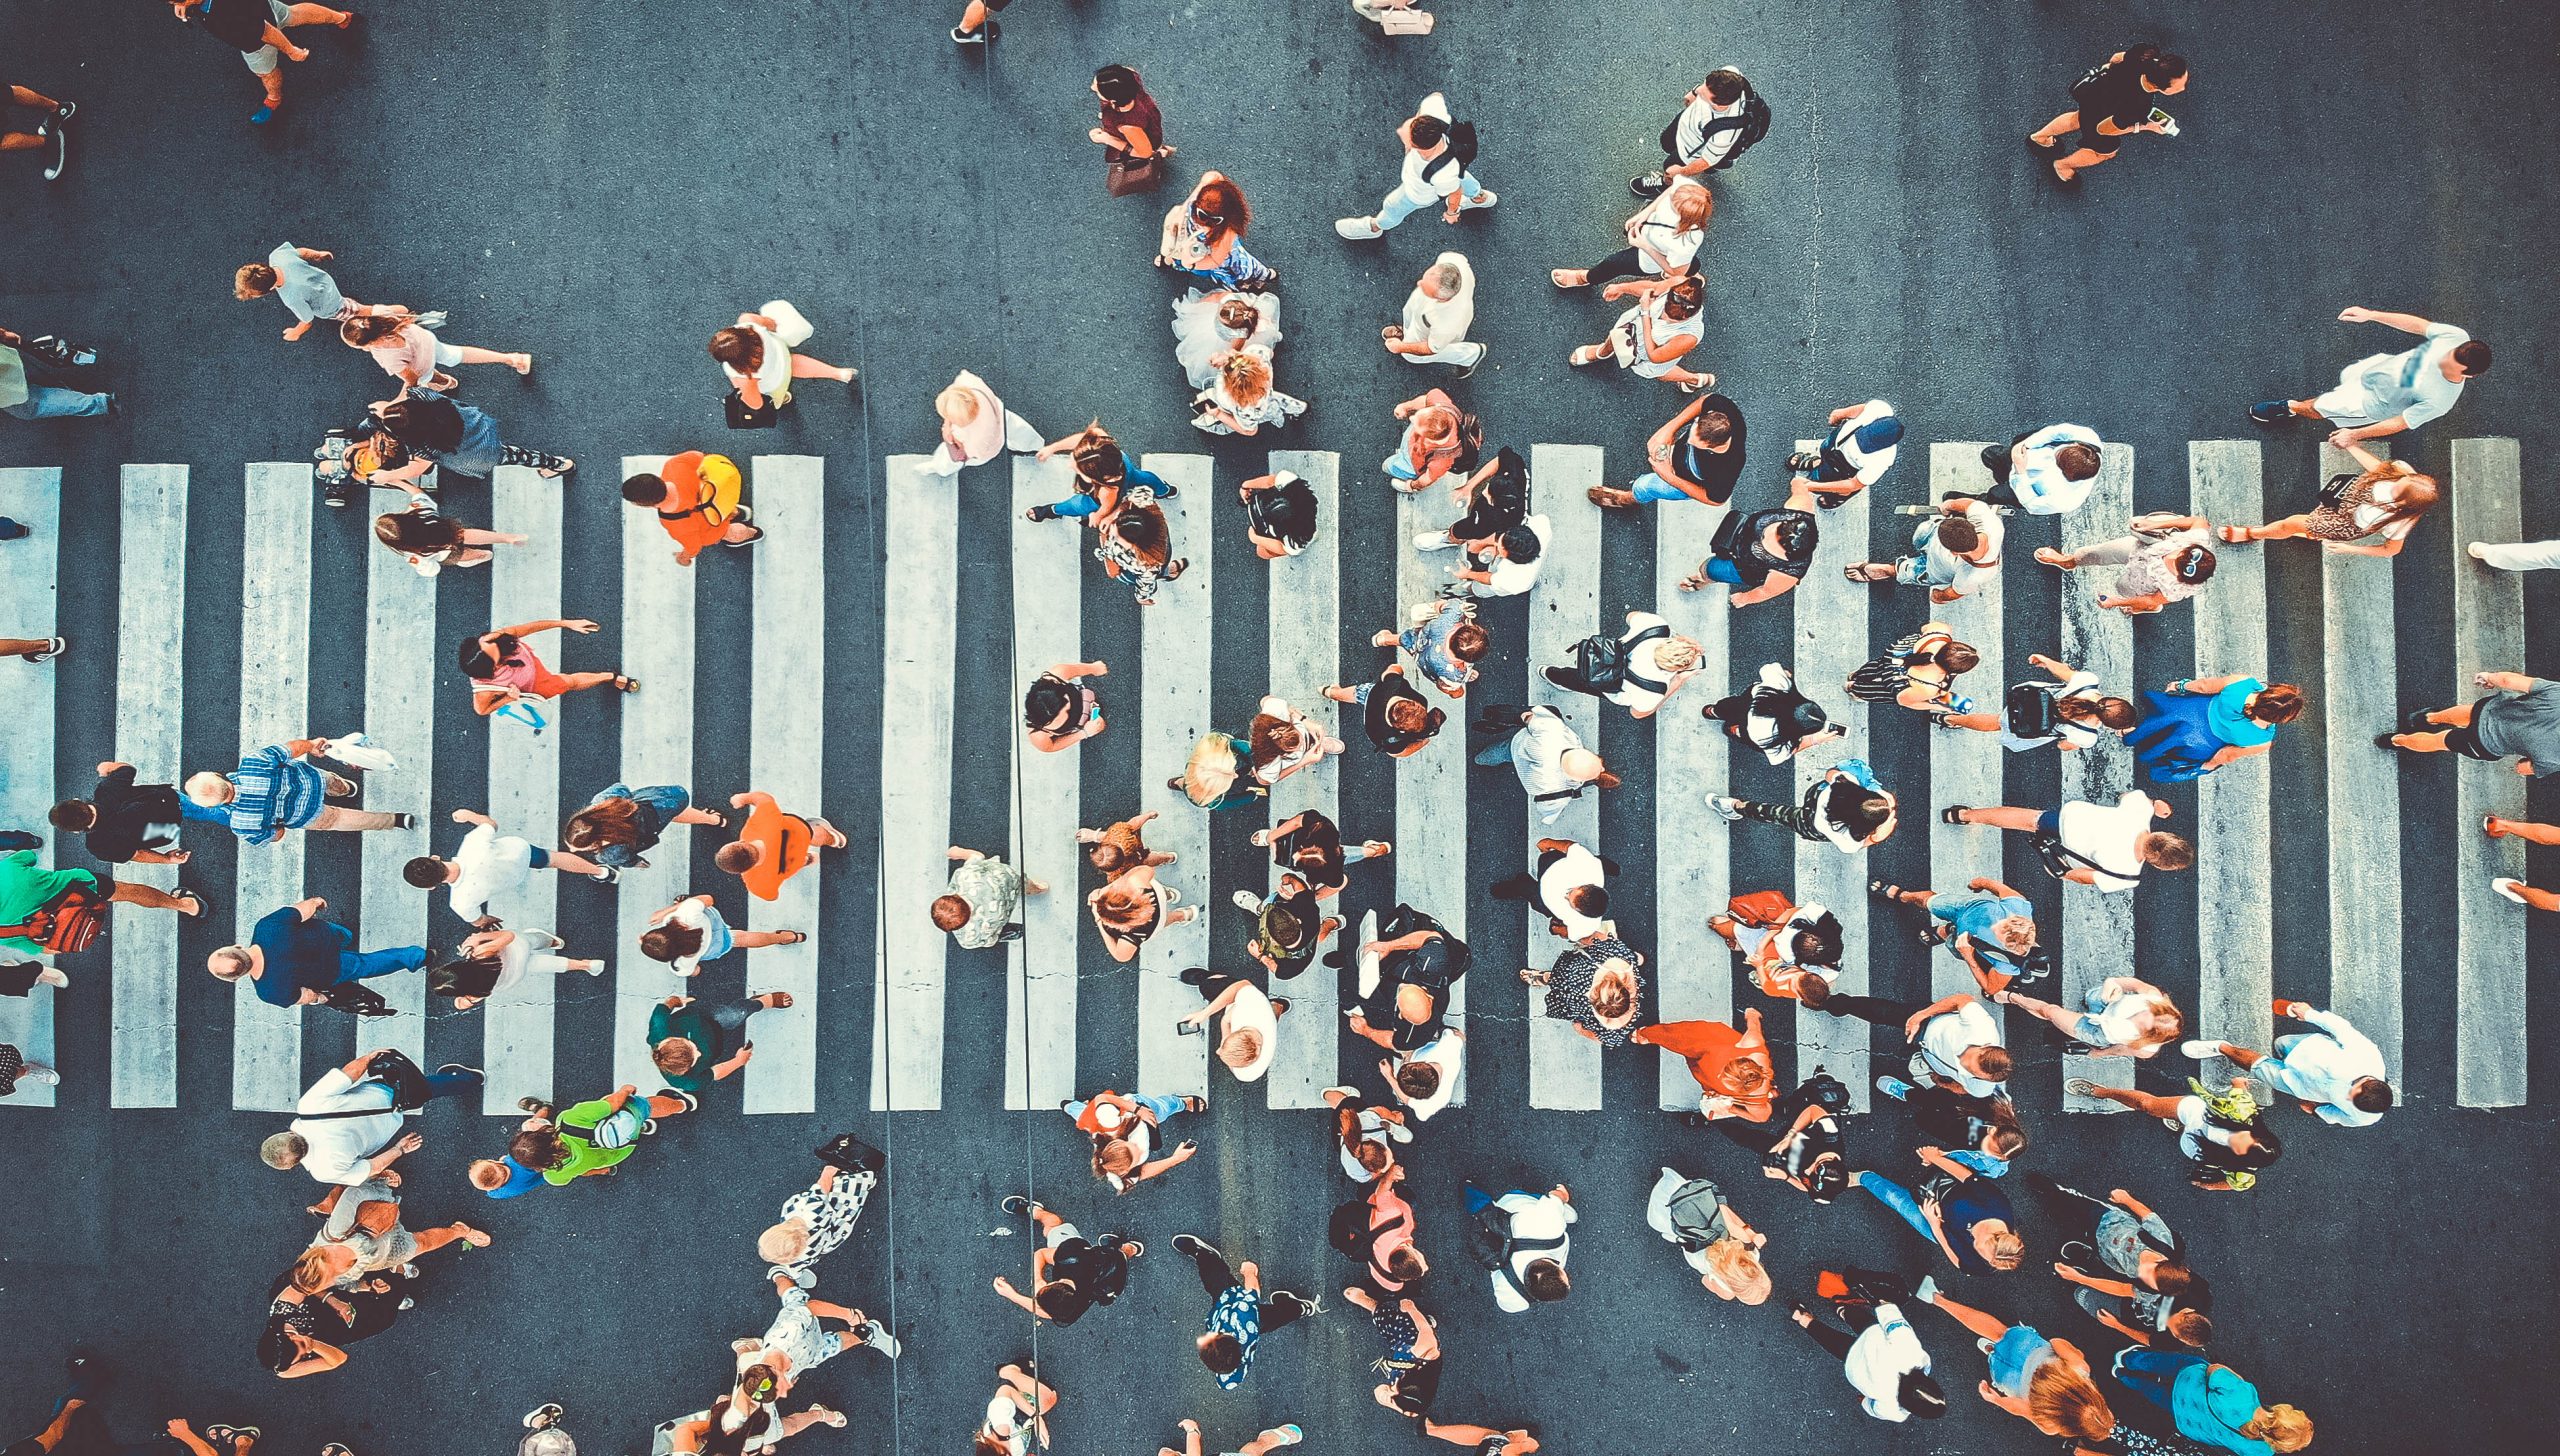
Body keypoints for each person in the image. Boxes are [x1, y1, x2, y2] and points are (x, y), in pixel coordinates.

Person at [2251, 306, 2487, 447]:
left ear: (2469, 375)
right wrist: (2371, 314)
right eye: (2448, 355)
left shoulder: (2440, 401)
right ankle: (2304, 406)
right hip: (2377, 369)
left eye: (2450, 364)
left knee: (2320, 407)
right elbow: (2419, 325)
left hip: (2370, 403)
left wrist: (2355, 434)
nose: (2443, 360)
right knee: (2344, 379)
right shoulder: (2457, 337)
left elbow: (2400, 422)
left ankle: (2291, 407)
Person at [2028, 1175, 2213, 1351]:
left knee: (2084, 1291)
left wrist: (2117, 1325)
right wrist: (2127, 1199)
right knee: (2079, 1208)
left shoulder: (2148, 1294)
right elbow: (2149, 1218)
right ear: (2188, 1310)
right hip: (2113, 1228)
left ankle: (2088, 1257)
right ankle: (2055, 1194)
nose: (2141, 1273)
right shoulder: (2194, 1290)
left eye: (2170, 1329)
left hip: (2120, 1279)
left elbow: (2123, 1290)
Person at [261, 1049, 483, 1185]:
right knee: (427, 1087)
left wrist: (401, 1148)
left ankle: (463, 1081)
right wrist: (370, 1056)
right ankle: (471, 1079)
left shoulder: (324, 1171)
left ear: (292, 1165)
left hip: (390, 1123)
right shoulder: (308, 1107)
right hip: (381, 1092)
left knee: (425, 1092)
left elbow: (372, 1167)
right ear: (287, 1133)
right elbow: (348, 1074)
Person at [1916, 1288, 2114, 1440]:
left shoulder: (2080, 1369)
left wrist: (2077, 1353)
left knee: (1999, 1332)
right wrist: (1995, 1400)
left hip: (2027, 1349)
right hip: (2010, 1379)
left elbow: (2056, 1342)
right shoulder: (2051, 1425)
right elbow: (2018, 1407)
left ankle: (1937, 1299)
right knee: (1996, 1357)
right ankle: (1991, 1351)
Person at [2184, 999, 2392, 1126]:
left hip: (2297, 1085)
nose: (2347, 1094)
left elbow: (2337, 1116)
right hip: (2306, 1049)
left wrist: (2316, 1110)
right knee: (2280, 1044)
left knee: (2258, 1067)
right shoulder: (2368, 1055)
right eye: (2353, 1089)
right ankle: (2266, 1051)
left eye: (2351, 1098)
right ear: (2369, 1079)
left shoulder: (2366, 1116)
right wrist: (2309, 1014)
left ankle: (2221, 1048)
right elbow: (2341, 1028)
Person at [1943, 792, 2194, 893]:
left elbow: (2126, 796)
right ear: (2160, 864)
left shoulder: (2140, 811)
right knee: (2035, 828)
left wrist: (2154, 806)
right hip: (2069, 846)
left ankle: (1964, 815)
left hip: (2071, 817)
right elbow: (2079, 875)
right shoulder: (2127, 877)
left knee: (2029, 819)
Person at [2067, 1076, 2284, 1193]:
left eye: (2241, 1147)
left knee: (2182, 1131)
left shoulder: (2243, 1171)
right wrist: (2239, 1083)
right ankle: (2101, 1091)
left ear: (2240, 1157)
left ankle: (2179, 1124)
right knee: (2146, 1105)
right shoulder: (2244, 1113)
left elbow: (2235, 1184)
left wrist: (2209, 1186)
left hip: (2194, 1143)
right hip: (2200, 1115)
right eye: (2248, 1137)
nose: (2240, 1139)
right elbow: (2239, 1086)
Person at [208, 897, 423, 1012]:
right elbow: (305, 909)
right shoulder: (266, 927)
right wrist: (316, 902)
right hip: (326, 936)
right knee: (343, 935)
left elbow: (309, 996)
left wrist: (323, 998)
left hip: (333, 969)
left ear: (236, 979)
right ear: (236, 946)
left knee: (368, 964)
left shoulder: (269, 992)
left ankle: (415, 957)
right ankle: (348, 937)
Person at [1788, 1269, 1948, 1423]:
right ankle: (1803, 1319)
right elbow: (1870, 1406)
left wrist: (1883, 1303)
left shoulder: (1912, 1355)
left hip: (1872, 1337)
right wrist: (1864, 1399)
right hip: (1855, 1365)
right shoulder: (1894, 1411)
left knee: (1859, 1319)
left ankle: (1842, 1309)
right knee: (1831, 1340)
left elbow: (1894, 1323)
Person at [2217, 443, 2435, 555]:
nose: (2393, 483)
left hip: (2344, 524)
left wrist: (2351, 549)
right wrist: (2350, 445)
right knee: (2310, 526)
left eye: (2398, 489)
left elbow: (2391, 550)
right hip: (2342, 498)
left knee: (2291, 523)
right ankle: (2310, 533)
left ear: (2404, 503)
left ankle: (2252, 533)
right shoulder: (2403, 474)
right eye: (2401, 480)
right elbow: (2379, 469)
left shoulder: (2400, 521)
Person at [183, 736, 410, 843]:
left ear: (217, 804)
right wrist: (312, 745)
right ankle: (348, 789)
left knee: (341, 819)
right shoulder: (253, 763)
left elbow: (277, 835)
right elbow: (293, 748)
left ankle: (397, 820)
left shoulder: (241, 825)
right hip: (311, 780)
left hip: (307, 815)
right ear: (217, 776)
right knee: (331, 781)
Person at [406, 807, 609, 925]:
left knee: (550, 861)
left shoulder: (459, 903)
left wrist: (490, 921)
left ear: (431, 887)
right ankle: (601, 871)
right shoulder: (471, 844)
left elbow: (479, 920)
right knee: (554, 859)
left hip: (512, 878)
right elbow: (490, 824)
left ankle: (600, 872)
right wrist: (468, 815)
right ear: (434, 857)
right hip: (520, 852)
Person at [1335, 91, 1495, 238]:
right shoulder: (1434, 118)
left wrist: (1451, 213)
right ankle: (1478, 197)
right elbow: (1436, 96)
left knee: (1392, 207)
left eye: (1407, 138)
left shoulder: (1440, 174)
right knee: (1461, 176)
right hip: (1454, 166)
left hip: (1421, 192)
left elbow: (1455, 192)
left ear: (1420, 149)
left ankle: (1375, 227)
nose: (1400, 131)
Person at [170, 0, 357, 125]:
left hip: (257, 44)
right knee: (293, 14)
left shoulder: (222, 12)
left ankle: (274, 98)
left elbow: (264, 31)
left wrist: (291, 50)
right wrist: (186, 6)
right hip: (264, 5)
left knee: (266, 72)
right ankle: (342, 18)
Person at [1852, 1145, 2025, 1274]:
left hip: (1938, 1228)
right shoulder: (1996, 1205)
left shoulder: (1985, 1265)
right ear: (1994, 1235)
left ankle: (1863, 1178)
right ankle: (1864, 1178)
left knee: (1896, 1200)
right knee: (1900, 1198)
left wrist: (1935, 1225)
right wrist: (1935, 1158)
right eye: (1980, 1245)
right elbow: (1966, 1177)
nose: (1974, 1245)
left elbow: (1958, 1261)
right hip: (1946, 1190)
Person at [1174, 1234, 1319, 1388]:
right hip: (1236, 1308)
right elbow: (1252, 1293)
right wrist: (1249, 1271)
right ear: (1224, 1335)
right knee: (1272, 1316)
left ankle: (1302, 1308)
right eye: (1208, 1339)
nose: (1202, 1338)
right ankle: (1301, 1308)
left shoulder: (1228, 1380)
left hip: (1237, 1320)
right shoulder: (1242, 1317)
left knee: (1274, 1318)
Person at [2029, 45, 2188, 184]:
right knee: (2105, 152)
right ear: (2162, 88)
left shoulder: (2145, 55)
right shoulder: (2138, 105)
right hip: (2105, 113)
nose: (2183, 89)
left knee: (2077, 118)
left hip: (2096, 92)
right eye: (2180, 86)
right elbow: (2105, 129)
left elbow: (2116, 58)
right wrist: (2146, 127)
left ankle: (2039, 138)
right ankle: (2062, 166)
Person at [2107, 1352, 2312, 1456]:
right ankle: (2123, 1376)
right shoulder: (2262, 1452)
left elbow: (2213, 1371)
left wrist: (2235, 1375)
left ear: (2281, 1412)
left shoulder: (2244, 1396)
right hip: (2187, 1421)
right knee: (2152, 1392)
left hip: (2188, 1381)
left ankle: (2127, 1358)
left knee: (2163, 1362)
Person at [1824, 990, 2011, 1099]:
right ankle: (1837, 1003)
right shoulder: (1981, 1026)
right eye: (1971, 1058)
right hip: (1927, 1023)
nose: (1962, 1062)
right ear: (1985, 1046)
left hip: (1929, 1055)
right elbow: (1961, 1000)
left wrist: (1943, 1084)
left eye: (1970, 1071)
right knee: (1884, 1013)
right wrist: (1921, 1015)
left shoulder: (1982, 1088)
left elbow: (1964, 1089)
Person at [1938, 652, 2136, 754]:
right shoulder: (2088, 737)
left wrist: (2046, 661)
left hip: (2032, 698)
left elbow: (2064, 671)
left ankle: (1948, 711)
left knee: (1997, 719)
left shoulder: (2088, 681)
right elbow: (2063, 745)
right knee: (1996, 724)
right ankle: (1951, 719)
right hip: (2031, 723)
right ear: (2108, 725)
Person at [1872, 878, 2045, 996]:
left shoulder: (2010, 965)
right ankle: (1903, 896)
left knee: (1952, 943)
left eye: (1996, 931)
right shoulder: (2017, 906)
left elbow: (1991, 988)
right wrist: (1981, 883)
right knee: (1929, 901)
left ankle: (1947, 930)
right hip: (1965, 907)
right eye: (2000, 923)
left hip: (1967, 944)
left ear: (2007, 946)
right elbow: (2000, 889)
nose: (1993, 924)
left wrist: (1969, 957)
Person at [761, 1134, 887, 1287]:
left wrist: (793, 1269)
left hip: (832, 1232)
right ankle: (866, 1178)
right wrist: (830, 1169)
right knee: (850, 1191)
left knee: (850, 1206)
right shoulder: (793, 1209)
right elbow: (821, 1188)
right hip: (833, 1209)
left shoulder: (802, 1254)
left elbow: (798, 1261)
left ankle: (798, 1276)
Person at [1706, 1070, 1851, 1203]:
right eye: (1812, 1169)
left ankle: (1714, 1121)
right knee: (1789, 1109)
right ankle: (1774, 1106)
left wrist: (1785, 1177)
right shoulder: (1831, 1135)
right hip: (1799, 1128)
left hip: (1787, 1152)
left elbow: (1806, 1186)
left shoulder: (1822, 1188)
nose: (1806, 1171)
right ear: (1830, 1159)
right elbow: (1813, 1110)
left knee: (1748, 1138)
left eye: (1809, 1177)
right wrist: (1790, 1136)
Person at [2378, 668, 2560, 774]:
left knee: (2467, 713)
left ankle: (2429, 718)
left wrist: (2489, 677)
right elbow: (2523, 768)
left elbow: (2508, 680)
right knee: (2440, 742)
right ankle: (2396, 740)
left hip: (2489, 711)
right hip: (2485, 745)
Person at [990, 1195, 1137, 1325]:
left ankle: (1132, 1248)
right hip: (1093, 1258)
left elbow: (1045, 1312)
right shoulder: (1068, 1258)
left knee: (1122, 1256)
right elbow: (1040, 1254)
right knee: (1052, 1226)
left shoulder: (1071, 1308)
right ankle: (1034, 1210)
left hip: (1113, 1280)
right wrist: (1037, 1279)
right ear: (1056, 1282)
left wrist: (1013, 1295)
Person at [1343, 904, 1470, 1055]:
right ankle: (1355, 958)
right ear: (1427, 994)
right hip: (1416, 959)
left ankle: (1351, 962)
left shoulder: (1416, 1036)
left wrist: (1366, 1031)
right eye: (1407, 987)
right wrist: (1390, 946)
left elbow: (1394, 1042)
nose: (1403, 985)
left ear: (1401, 1015)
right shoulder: (1433, 964)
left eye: (1401, 990)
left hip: (1397, 970)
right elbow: (1429, 937)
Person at [734, 1271, 901, 1384]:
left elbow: (811, 1307)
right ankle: (867, 1334)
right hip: (809, 1354)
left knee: (792, 1296)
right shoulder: (763, 1374)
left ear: (776, 1369)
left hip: (800, 1326)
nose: (784, 1393)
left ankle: (780, 1274)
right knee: (835, 1345)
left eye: (781, 1390)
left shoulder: (789, 1332)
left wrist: (848, 1314)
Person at [2035, 513, 2217, 615]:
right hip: (2139, 550)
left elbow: (2151, 597)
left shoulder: (2177, 587)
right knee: (2096, 553)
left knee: (2122, 588)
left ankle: (2149, 610)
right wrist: (2151, 525)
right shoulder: (2197, 540)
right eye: (2180, 552)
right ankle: (2069, 561)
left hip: (2144, 581)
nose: (2172, 555)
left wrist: (2117, 602)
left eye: (2175, 563)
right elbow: (2199, 522)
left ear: (2180, 576)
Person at [1706, 758, 1899, 853]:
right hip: (1810, 824)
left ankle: (1736, 806)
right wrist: (1877, 838)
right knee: (1777, 815)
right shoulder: (1849, 838)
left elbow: (1832, 774)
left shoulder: (1844, 784)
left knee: (1774, 812)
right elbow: (1859, 844)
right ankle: (1736, 807)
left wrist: (1875, 792)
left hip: (1817, 797)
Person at [1675, 477, 1818, 605]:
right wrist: (1801, 483)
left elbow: (1766, 591)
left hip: (1742, 567)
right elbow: (1799, 485)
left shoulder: (1789, 572)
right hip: (1737, 535)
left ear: (1789, 555)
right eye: (1779, 528)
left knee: (1710, 569)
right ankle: (1702, 578)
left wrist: (1745, 598)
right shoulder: (1799, 511)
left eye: (1778, 542)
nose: (1766, 536)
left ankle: (1703, 580)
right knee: (1710, 565)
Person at [1590, 391, 1745, 509]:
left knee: (1644, 485)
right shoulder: (1725, 413)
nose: (1688, 442)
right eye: (1692, 431)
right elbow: (1706, 400)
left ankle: (1627, 499)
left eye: (1695, 442)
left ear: (1710, 447)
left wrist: (1668, 476)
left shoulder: (1729, 466)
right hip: (1680, 463)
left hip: (1684, 480)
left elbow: (1715, 500)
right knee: (1663, 454)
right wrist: (1669, 430)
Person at [2130, 676, 2303, 781]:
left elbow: (2204, 686)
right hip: (2198, 742)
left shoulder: (2244, 683)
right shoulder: (2263, 740)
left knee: (2166, 718)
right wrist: (2208, 766)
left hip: (2190, 710)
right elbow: (2228, 754)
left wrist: (2180, 685)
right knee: (2176, 750)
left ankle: (2139, 728)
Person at [1472, 703, 1618, 826]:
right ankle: (1481, 759)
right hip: (1527, 771)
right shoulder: (1558, 789)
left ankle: (1480, 759)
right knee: (1504, 755)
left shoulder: (1554, 732)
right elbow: (1547, 808)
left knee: (1499, 752)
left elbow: (1529, 717)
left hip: (1518, 747)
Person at [1642, 1168, 1771, 1304]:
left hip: (1698, 1206)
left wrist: (1751, 1233)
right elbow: (1705, 1280)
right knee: (1683, 1231)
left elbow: (1729, 1217)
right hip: (1693, 1237)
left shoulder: (1752, 1253)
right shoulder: (1725, 1290)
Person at [457, 620, 636, 718]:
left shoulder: (489, 640)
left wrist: (566, 624)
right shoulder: (484, 690)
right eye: (498, 656)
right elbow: (481, 710)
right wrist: (507, 699)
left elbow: (528, 628)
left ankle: (609, 678)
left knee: (566, 680)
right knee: (569, 682)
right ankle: (609, 677)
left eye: (493, 643)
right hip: (535, 684)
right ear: (494, 668)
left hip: (528, 662)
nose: (499, 644)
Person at [1551, 180, 1711, 288]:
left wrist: (1644, 246)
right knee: (1687, 262)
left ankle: (1585, 278)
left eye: (1673, 207)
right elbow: (1670, 190)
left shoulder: (1686, 243)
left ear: (1685, 217)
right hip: (1647, 230)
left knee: (1613, 264)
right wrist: (1642, 215)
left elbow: (1676, 272)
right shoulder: (1689, 190)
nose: (1669, 203)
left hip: (1649, 255)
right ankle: (1693, 272)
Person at [1542, 610, 1701, 719]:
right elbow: (1637, 713)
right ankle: (1553, 676)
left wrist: (1683, 640)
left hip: (1607, 653)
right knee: (1584, 683)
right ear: (1678, 669)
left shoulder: (1656, 627)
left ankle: (1550, 673)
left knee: (1575, 674)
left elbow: (1630, 616)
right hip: (1610, 683)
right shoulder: (1654, 691)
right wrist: (1678, 681)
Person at [1633, 67, 1766, 196]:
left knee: (1670, 167)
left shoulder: (1723, 136)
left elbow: (1706, 160)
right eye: (1704, 84)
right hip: (1686, 124)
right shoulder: (1730, 74)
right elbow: (1705, 87)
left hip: (1691, 150)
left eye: (1703, 94)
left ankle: (1664, 185)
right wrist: (1695, 92)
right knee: (1666, 142)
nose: (1701, 89)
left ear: (1718, 105)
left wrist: (1681, 171)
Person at [1566, 274, 1711, 390]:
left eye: (1672, 319)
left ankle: (1693, 379)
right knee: (1616, 335)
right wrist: (1622, 288)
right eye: (1665, 311)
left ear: (1689, 316)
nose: (1664, 317)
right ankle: (1602, 352)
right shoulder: (1678, 283)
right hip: (1634, 326)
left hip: (1648, 353)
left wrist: (1645, 313)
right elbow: (1653, 288)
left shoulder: (1689, 336)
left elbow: (1654, 356)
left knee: (1660, 373)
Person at [48, 762, 205, 868]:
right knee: (205, 807)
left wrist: (167, 859)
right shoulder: (106, 789)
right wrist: (106, 767)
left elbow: (138, 854)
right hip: (169, 801)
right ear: (78, 801)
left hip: (166, 831)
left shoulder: (97, 846)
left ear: (76, 831)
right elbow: (128, 769)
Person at [709, 302, 855, 415]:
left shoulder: (744, 376)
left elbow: (756, 403)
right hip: (781, 353)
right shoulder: (748, 322)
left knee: (775, 397)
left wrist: (739, 390)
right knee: (796, 362)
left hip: (776, 382)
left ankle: (783, 398)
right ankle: (837, 373)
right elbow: (771, 323)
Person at [1848, 499, 2004, 603]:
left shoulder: (1974, 576)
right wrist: (1948, 505)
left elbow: (1949, 594)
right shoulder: (1991, 524)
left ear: (1954, 552)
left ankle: (1891, 570)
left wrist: (1937, 596)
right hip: (1932, 542)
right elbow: (1970, 504)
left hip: (1936, 569)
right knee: (1923, 532)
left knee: (1910, 571)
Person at [1637, 1010, 1775, 1122]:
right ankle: (1649, 1035)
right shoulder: (1755, 1098)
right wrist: (1730, 1108)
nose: (1720, 1075)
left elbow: (1754, 1027)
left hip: (1715, 1048)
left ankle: (1648, 1035)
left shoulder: (1757, 1050)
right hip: (1714, 1045)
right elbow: (1762, 1116)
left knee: (1681, 1036)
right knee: (1682, 1035)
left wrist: (1751, 1015)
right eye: (1725, 1073)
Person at [235, 243, 394, 340]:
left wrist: (295, 333)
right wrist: (317, 254)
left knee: (359, 311)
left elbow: (307, 320)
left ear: (268, 289)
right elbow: (301, 252)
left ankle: (392, 317)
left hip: (331, 305)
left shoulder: (291, 298)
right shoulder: (277, 256)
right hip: (323, 282)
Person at [623, 452, 762, 561]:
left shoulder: (674, 523)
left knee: (733, 532)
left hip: (714, 527)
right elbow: (700, 457)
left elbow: (693, 546)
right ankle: (737, 512)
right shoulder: (673, 465)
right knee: (723, 508)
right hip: (715, 497)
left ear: (647, 505)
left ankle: (753, 533)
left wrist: (685, 556)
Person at [648, 991, 793, 1095]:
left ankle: (761, 1001)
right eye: (694, 1059)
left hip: (704, 1016)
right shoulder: (686, 1081)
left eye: (692, 1048)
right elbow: (716, 1072)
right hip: (715, 1048)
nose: (699, 1053)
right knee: (733, 1020)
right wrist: (738, 1061)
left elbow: (668, 1003)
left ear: (675, 1039)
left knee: (735, 1015)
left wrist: (678, 1001)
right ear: (683, 1071)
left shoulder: (659, 1025)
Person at [426, 927, 604, 1010]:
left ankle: (586, 965)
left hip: (515, 973)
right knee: (533, 939)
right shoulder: (481, 954)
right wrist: (479, 938)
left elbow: (460, 1005)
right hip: (518, 949)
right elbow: (508, 936)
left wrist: (459, 1000)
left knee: (542, 965)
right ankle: (554, 942)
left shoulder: (475, 993)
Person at [1710, 890, 1841, 1003]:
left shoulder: (1786, 954)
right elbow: (1793, 911)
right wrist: (1764, 943)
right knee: (1738, 930)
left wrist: (1759, 963)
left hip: (1769, 956)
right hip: (1771, 940)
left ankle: (1736, 937)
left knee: (1719, 924)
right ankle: (1740, 942)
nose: (1793, 975)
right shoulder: (1824, 926)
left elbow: (1768, 987)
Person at [1340, 1285, 1444, 1425]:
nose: (1392, 1387)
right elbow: (1422, 1328)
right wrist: (1410, 1308)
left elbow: (1379, 1392)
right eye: (1397, 1387)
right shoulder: (1426, 1352)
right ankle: (1373, 1305)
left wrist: (1390, 1397)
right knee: (1392, 1318)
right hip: (1411, 1338)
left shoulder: (1411, 1406)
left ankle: (1379, 1311)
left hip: (1400, 1350)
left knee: (1390, 1335)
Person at [340, 314, 529, 391]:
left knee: (428, 378)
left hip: (423, 365)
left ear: (370, 343)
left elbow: (411, 379)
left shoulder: (387, 357)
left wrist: (402, 396)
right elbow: (403, 311)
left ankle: (447, 382)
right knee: (457, 354)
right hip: (426, 340)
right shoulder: (384, 316)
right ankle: (511, 358)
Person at [2002, 978, 2181, 1059]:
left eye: (2144, 1020)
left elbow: (2120, 1049)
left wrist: (2100, 1053)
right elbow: (2134, 984)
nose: (2142, 1012)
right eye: (2150, 1011)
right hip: (2106, 1001)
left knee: (2050, 1012)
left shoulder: (2145, 1050)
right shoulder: (2152, 997)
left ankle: (2014, 998)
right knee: (2090, 997)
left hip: (2097, 1029)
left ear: (2147, 1034)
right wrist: (2114, 983)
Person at [1068, 1088, 1204, 1193]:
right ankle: (1069, 1106)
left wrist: (1138, 1110)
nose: (1139, 1147)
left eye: (1131, 1146)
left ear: (1118, 1142)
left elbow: (1101, 1098)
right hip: (1146, 1124)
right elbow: (1142, 1172)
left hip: (1139, 1111)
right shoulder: (1120, 1176)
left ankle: (1182, 1103)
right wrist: (1176, 1159)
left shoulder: (1110, 1122)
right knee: (1083, 1115)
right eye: (1136, 1155)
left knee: (1162, 1109)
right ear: (1128, 1169)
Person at [560, 782, 723, 870]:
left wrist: (637, 863)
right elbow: (622, 788)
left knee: (673, 815)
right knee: (674, 811)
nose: (573, 850)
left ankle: (712, 820)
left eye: (580, 847)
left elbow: (627, 860)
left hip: (654, 824)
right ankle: (715, 820)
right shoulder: (603, 800)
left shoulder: (608, 853)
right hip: (657, 802)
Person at [718, 791, 848, 901]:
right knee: (813, 834)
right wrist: (742, 798)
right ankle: (835, 840)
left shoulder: (755, 884)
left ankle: (807, 859)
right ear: (741, 842)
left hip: (791, 862)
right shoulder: (759, 825)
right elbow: (764, 799)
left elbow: (772, 897)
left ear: (743, 870)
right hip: (800, 832)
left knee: (794, 860)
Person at [1158, 171, 1277, 291]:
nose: (1206, 225)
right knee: (1178, 251)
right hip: (1194, 248)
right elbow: (1212, 175)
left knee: (1240, 269)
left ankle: (1265, 276)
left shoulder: (1227, 231)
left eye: (1214, 220)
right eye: (1202, 216)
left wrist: (1190, 264)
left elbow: (1216, 260)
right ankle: (1170, 260)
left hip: (1207, 258)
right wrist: (1184, 208)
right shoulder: (1202, 201)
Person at [1465, 1182, 1574, 1312]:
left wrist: (1563, 1196)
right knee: (1482, 1209)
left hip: (1510, 1206)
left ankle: (1467, 1189)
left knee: (1571, 1216)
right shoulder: (1514, 1300)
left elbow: (1555, 1196)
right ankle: (1470, 1193)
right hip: (1498, 1233)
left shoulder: (1551, 1227)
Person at [1522, 934, 1645, 1048]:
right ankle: (1546, 977)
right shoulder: (1617, 1029)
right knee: (1560, 979)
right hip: (1579, 975)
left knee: (1559, 980)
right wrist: (1581, 1029)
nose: (1589, 991)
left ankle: (1546, 977)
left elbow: (1596, 936)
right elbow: (1599, 1036)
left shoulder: (1617, 956)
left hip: (1578, 976)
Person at [1706, 662, 1840, 766]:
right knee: (1740, 732)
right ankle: (1732, 730)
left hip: (1750, 703)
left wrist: (1787, 675)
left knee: (1730, 706)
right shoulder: (1772, 736)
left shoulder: (1782, 687)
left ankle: (1715, 712)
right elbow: (1778, 757)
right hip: (1750, 731)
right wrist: (1815, 739)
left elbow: (1768, 668)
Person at [642, 893, 805, 976]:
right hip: (711, 923)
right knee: (693, 904)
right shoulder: (683, 917)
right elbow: (708, 899)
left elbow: (696, 970)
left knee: (742, 940)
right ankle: (785, 936)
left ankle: (784, 938)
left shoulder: (680, 965)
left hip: (715, 946)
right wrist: (667, 911)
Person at [370, 491, 528, 576]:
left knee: (470, 556)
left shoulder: (412, 555)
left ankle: (482, 555)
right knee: (467, 534)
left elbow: (431, 570)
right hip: (447, 530)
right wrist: (399, 482)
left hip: (446, 554)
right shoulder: (418, 510)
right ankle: (507, 538)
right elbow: (421, 496)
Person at [1175, 966, 1286, 1084]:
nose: (1217, 1050)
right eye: (1222, 1046)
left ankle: (1277, 1006)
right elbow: (1243, 985)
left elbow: (1226, 1020)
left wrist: (1225, 1023)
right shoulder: (1256, 1006)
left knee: (1219, 998)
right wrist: (1204, 1013)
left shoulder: (1246, 1075)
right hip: (1249, 1002)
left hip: (1246, 1012)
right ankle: (1213, 977)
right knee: (1207, 987)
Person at [1846, 622, 1982, 717]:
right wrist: (1940, 707)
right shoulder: (1929, 687)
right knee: (1875, 690)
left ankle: (1856, 676)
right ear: (1954, 671)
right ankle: (1854, 689)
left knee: (1874, 667)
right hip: (1896, 682)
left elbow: (1925, 627)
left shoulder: (1941, 632)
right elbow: (1904, 700)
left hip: (1893, 660)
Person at [1331, 1161, 1428, 1294]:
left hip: (1370, 1210)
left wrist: (1391, 1175)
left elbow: (1382, 1190)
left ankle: (1362, 1177)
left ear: (1406, 1248)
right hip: (1364, 1231)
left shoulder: (1393, 1215)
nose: (1427, 1267)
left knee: (1407, 1198)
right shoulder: (1390, 1280)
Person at [1786, 399, 1904, 508]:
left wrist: (1811, 486)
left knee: (1822, 480)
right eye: (1862, 436)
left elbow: (1853, 484)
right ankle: (1819, 463)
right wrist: (1838, 416)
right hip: (1835, 444)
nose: (1859, 442)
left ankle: (1839, 496)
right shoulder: (1880, 408)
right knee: (1824, 450)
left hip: (1844, 468)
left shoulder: (1882, 461)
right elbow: (1853, 410)